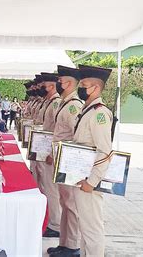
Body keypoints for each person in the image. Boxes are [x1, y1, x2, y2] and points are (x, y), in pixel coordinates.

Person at [72, 65, 113, 256]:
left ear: (95, 88)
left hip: (89, 180)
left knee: (92, 228)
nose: (80, 89)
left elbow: (105, 151)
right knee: (85, 225)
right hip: (81, 177)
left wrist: (92, 182)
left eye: (84, 85)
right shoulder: (87, 109)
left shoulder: (99, 113)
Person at [45, 65, 84, 257]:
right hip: (61, 158)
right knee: (64, 201)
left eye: (60, 82)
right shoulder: (65, 103)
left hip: (69, 160)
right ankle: (65, 243)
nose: (57, 84)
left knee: (71, 204)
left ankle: (73, 245)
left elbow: (77, 135)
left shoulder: (74, 106)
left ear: (68, 83)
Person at [32, 73, 62, 238]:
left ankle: (55, 224)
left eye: (43, 85)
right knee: (43, 185)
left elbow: (59, 130)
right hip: (41, 147)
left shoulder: (57, 103)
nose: (39, 88)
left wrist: (53, 152)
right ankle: (48, 219)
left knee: (51, 189)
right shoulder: (47, 102)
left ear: (51, 86)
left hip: (49, 150)